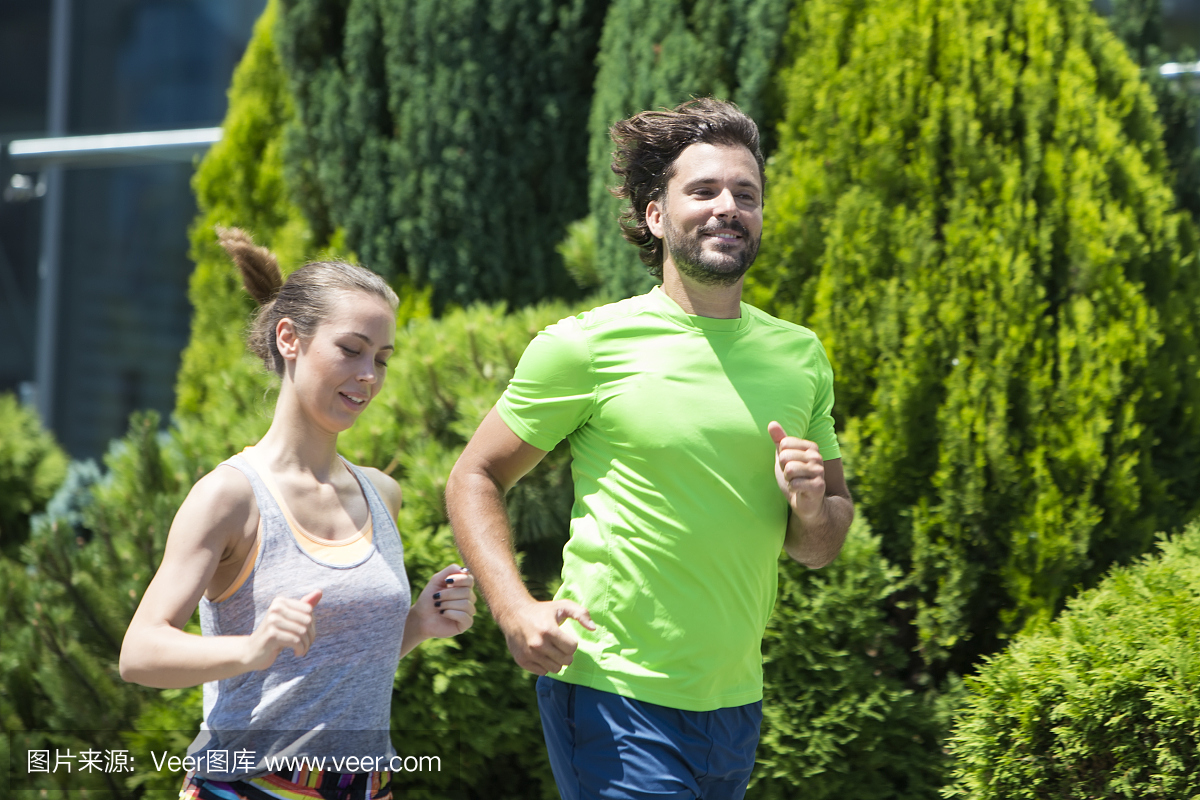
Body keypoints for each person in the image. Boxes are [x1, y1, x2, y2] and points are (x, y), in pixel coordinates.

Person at [445, 97, 854, 799]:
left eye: (745, 194)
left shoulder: (800, 357)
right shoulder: (585, 346)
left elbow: (820, 544)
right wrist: (516, 611)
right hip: (613, 693)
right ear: (656, 216)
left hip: (734, 705)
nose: (728, 206)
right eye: (703, 190)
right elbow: (474, 475)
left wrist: (814, 508)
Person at [120, 228, 476, 800]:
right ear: (289, 338)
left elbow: (334, 661)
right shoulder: (231, 497)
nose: (369, 376)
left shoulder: (381, 494)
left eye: (382, 359)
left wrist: (417, 625)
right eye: (351, 350)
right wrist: (250, 648)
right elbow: (139, 654)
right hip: (247, 784)